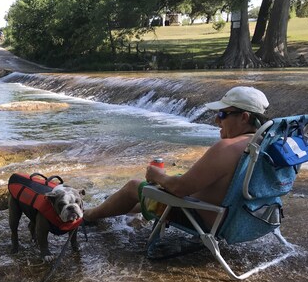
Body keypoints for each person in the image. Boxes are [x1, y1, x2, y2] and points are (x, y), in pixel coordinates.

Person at [83, 86, 270, 228]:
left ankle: (88, 216)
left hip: (204, 219)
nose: (216, 120)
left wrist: (155, 174)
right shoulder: (267, 144)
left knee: (135, 186)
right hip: (247, 219)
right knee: (160, 188)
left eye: (223, 114)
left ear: (244, 117)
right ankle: (115, 207)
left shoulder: (228, 148)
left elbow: (179, 189)